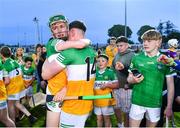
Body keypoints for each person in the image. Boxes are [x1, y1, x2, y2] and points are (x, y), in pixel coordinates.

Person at [42, 20, 96, 127]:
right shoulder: (54, 43)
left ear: (69, 29)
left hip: (69, 96)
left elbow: (76, 76)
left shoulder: (71, 50)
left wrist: (65, 89)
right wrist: (86, 41)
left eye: (62, 26)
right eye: (54, 28)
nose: (59, 30)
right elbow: (45, 75)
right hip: (56, 94)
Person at [127, 29, 175, 127]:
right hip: (137, 102)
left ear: (158, 42)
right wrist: (133, 80)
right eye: (144, 41)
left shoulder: (165, 60)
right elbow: (129, 79)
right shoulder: (137, 58)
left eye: (149, 41)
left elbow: (170, 86)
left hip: (155, 104)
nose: (145, 43)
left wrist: (169, 106)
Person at [0, 46, 37, 124]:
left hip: (13, 88)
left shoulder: (4, 66)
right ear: (10, 54)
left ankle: (13, 122)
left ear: (2, 55)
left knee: (10, 105)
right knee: (16, 103)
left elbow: (7, 81)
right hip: (20, 86)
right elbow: (22, 73)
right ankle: (30, 116)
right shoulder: (16, 62)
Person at [112, 36, 134, 127]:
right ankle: (120, 124)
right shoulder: (117, 55)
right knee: (116, 107)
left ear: (127, 45)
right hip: (117, 86)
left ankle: (126, 126)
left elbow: (135, 72)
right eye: (118, 45)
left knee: (126, 111)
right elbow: (112, 67)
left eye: (121, 45)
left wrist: (128, 84)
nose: (119, 47)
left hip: (127, 87)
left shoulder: (132, 55)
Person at [94, 54, 119, 127]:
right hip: (97, 100)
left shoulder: (110, 72)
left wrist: (107, 85)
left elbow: (117, 85)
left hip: (106, 101)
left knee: (106, 118)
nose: (100, 63)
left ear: (107, 62)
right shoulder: (94, 73)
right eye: (98, 61)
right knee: (99, 119)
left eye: (103, 61)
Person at [0, 57, 15, 127]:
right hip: (1, 93)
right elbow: (7, 80)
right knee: (5, 119)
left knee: (4, 119)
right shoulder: (2, 63)